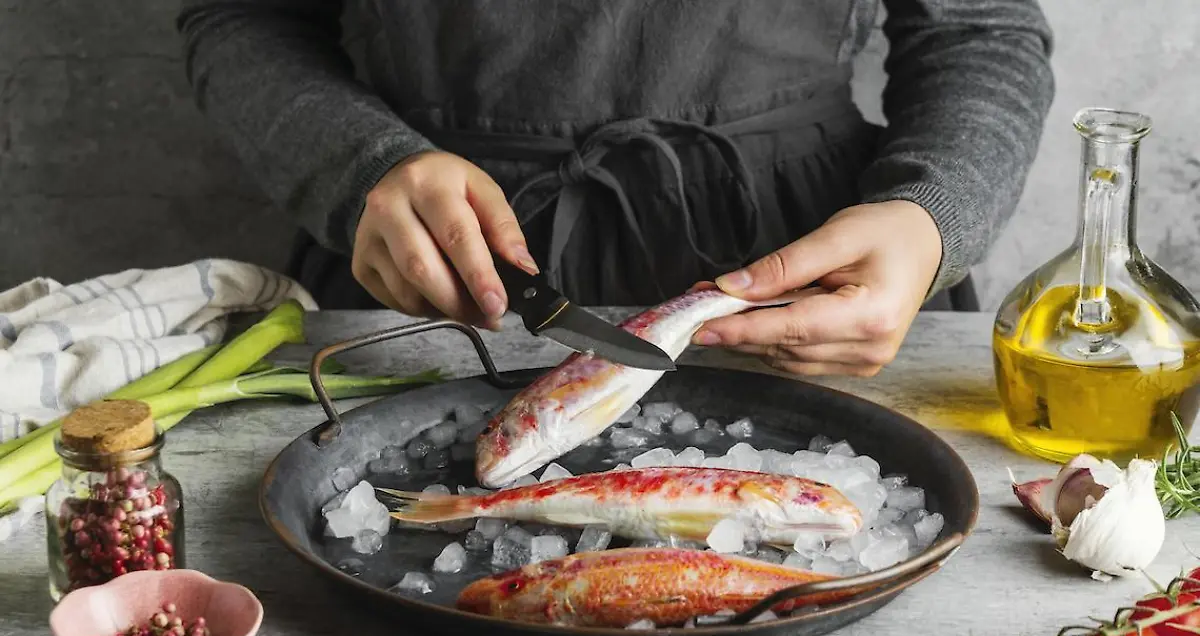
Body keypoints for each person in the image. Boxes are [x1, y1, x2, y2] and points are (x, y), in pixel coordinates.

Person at [177, 0, 1054, 377]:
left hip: (810, 274)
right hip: (440, 264)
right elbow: (247, 16)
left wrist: (934, 213)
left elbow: (979, 28)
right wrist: (355, 164)